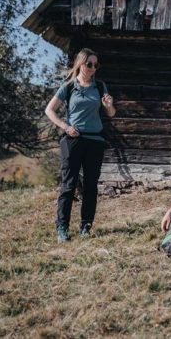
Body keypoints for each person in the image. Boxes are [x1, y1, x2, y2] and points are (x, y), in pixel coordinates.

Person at [45, 48, 116, 242]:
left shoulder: (100, 87)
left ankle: (86, 226)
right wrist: (65, 127)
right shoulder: (68, 87)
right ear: (80, 64)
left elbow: (110, 114)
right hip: (73, 140)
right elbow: (49, 110)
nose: (93, 68)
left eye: (96, 65)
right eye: (89, 64)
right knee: (68, 185)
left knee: (91, 186)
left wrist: (109, 105)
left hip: (95, 140)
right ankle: (62, 228)